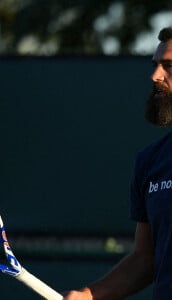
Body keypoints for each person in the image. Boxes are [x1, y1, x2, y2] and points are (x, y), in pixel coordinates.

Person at [63, 26, 172, 300]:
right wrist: (89, 295)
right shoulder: (150, 162)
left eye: (168, 66)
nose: (155, 75)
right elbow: (145, 259)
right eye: (156, 65)